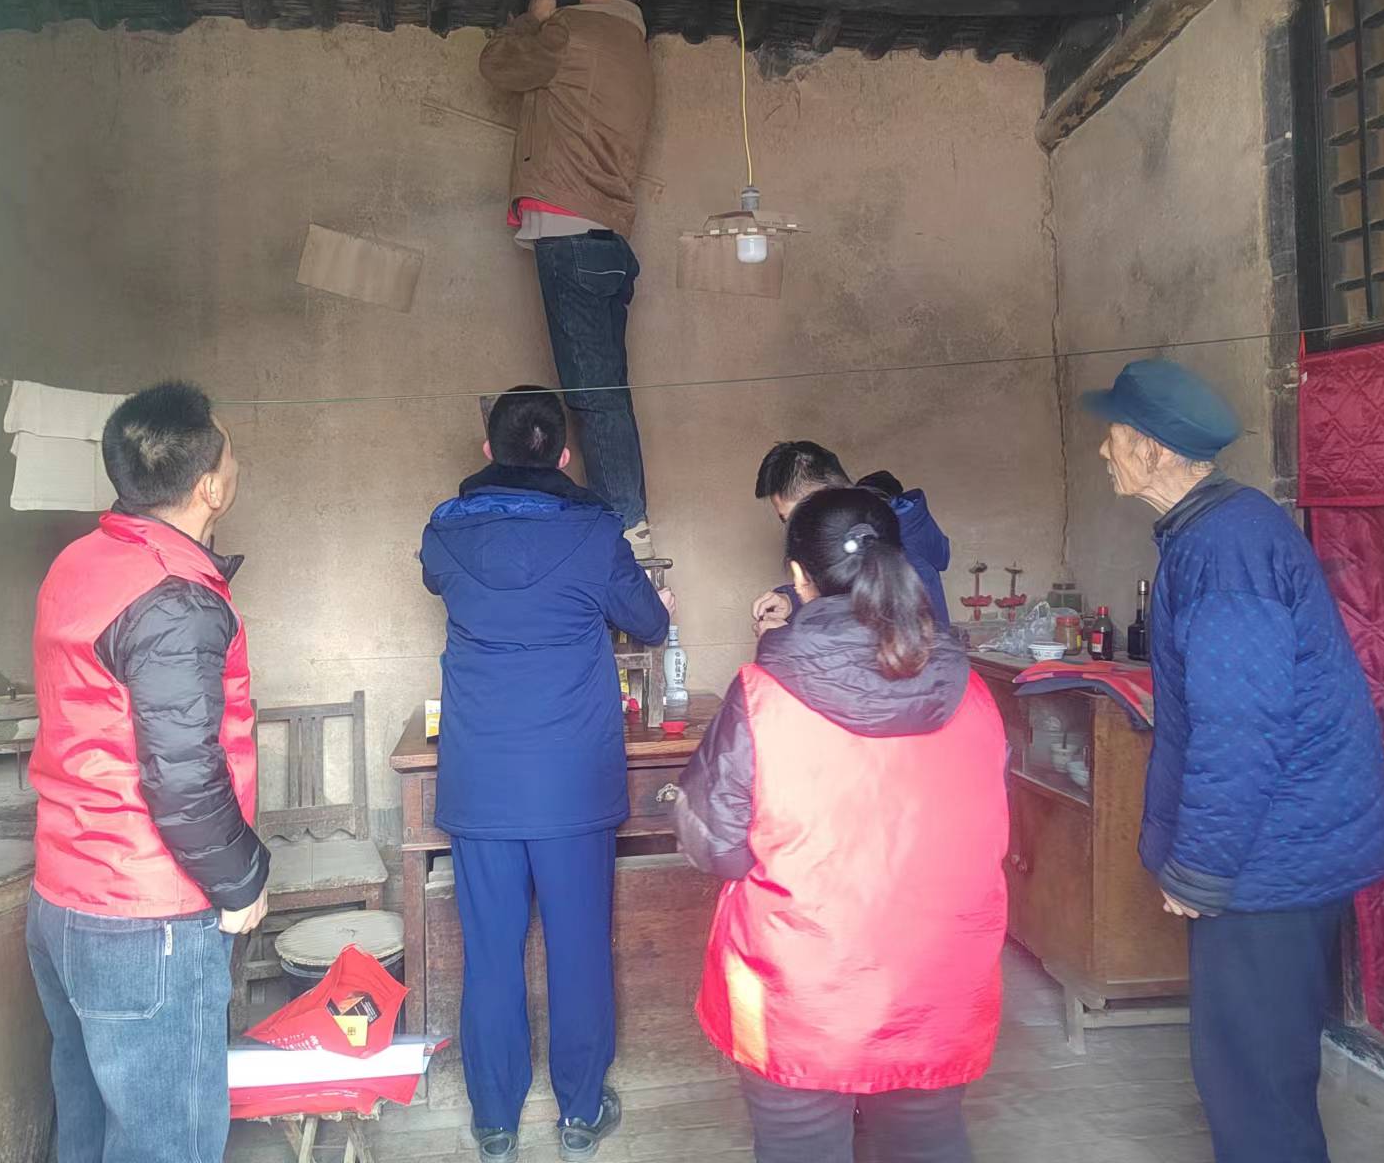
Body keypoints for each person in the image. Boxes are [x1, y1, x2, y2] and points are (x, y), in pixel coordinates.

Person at [1086, 357, 1384, 1163]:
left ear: (1152, 449)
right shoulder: (1220, 530)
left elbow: (1240, 729)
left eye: (1113, 435)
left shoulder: (1225, 552)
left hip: (1272, 854)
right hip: (1283, 844)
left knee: (1252, 1085)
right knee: (1259, 1072)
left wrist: (1200, 867)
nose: (1103, 450)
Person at [675, 487, 1007, 1163]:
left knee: (799, 1144)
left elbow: (716, 845)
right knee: (928, 1139)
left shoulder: (761, 694)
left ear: (799, 577)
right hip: (939, 982)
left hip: (800, 991)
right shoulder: (971, 690)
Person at [420, 386, 675, 1163]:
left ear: (488, 450)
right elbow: (650, 623)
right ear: (564, 455)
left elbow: (439, 580)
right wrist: (652, 599)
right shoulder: (595, 534)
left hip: (481, 782)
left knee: (490, 953)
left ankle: (495, 1122)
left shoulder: (444, 532)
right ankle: (580, 1113)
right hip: (571, 781)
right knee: (578, 947)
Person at [26, 381, 270, 1163]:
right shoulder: (173, 597)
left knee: (90, 1129)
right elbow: (184, 776)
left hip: (62, 898)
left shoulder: (79, 562)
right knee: (169, 1143)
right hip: (145, 918)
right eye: (230, 452)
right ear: (210, 488)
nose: (236, 463)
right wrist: (242, 882)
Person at [479, 0, 658, 560]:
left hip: (568, 229)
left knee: (592, 396)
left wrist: (534, 19)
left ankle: (629, 531)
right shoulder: (637, 51)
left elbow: (499, 66)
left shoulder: (573, 30)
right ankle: (631, 520)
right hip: (608, 239)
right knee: (608, 392)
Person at [751, 441, 951, 634]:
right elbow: (844, 591)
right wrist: (792, 600)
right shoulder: (859, 539)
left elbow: (901, 650)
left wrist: (785, 641)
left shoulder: (901, 556)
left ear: (840, 495)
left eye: (805, 518)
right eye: (789, 522)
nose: (798, 532)